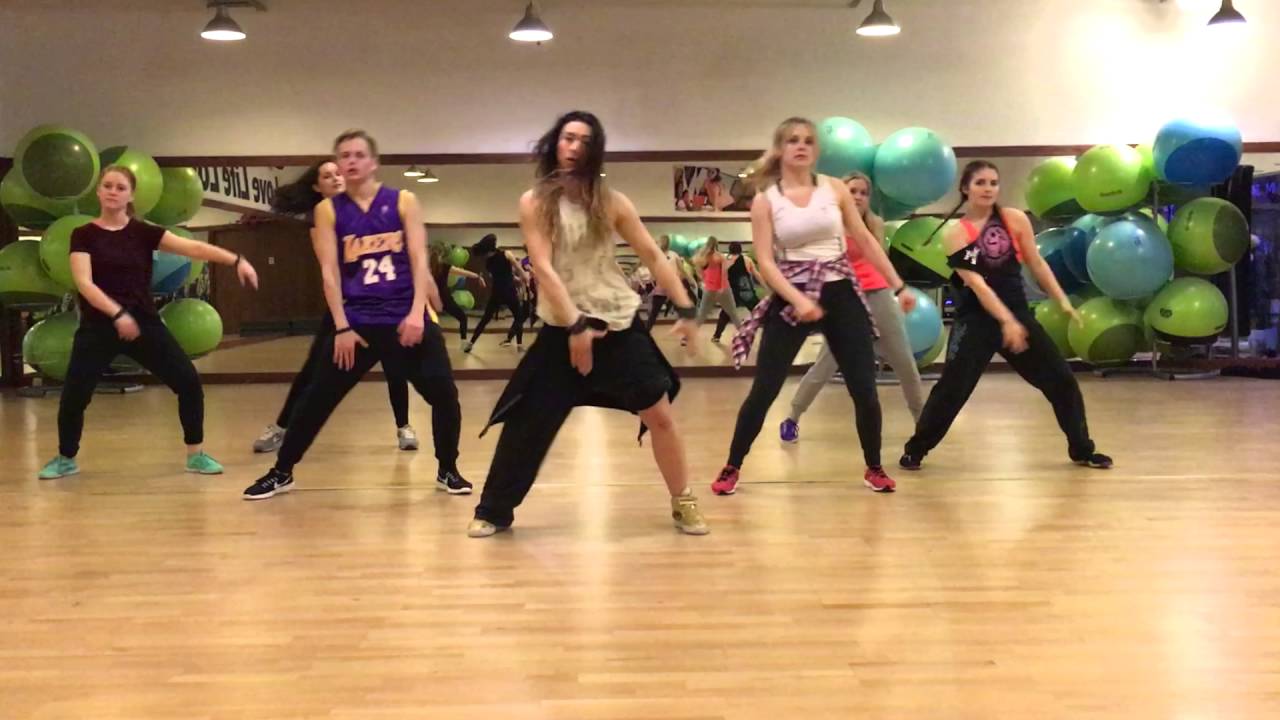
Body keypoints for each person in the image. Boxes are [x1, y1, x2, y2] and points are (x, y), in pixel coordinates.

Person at [467, 110, 708, 538]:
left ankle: (683, 501)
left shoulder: (612, 202)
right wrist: (575, 324)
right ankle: (494, 510)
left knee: (659, 414)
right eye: (568, 137)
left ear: (595, 151)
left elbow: (654, 256)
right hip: (563, 328)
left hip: (618, 323)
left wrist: (686, 309)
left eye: (584, 140)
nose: (574, 146)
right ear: (555, 143)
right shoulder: (534, 202)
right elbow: (542, 267)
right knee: (528, 421)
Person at [242, 129, 469, 500]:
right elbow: (329, 272)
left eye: (358, 154)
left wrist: (417, 314)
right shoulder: (328, 210)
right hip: (358, 323)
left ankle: (448, 469)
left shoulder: (403, 201)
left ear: (373, 163)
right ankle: (281, 472)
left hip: (406, 319)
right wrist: (342, 327)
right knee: (317, 399)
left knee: (445, 397)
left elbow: (418, 260)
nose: (350, 161)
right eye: (344, 155)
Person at [711, 117, 916, 496]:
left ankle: (874, 467)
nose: (801, 146)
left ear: (817, 150)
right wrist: (799, 300)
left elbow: (865, 241)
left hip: (840, 292)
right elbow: (766, 262)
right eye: (793, 140)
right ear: (781, 149)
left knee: (864, 388)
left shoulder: (834, 189)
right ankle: (732, 466)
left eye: (808, 140)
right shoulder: (766, 200)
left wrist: (898, 285)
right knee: (765, 389)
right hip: (793, 292)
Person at [38, 165, 260, 480]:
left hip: (143, 323)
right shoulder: (83, 235)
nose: (113, 192)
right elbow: (84, 283)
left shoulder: (142, 233)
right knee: (75, 395)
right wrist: (118, 314)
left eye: (120, 187)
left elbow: (193, 247)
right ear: (99, 191)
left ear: (130, 196)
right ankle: (65, 458)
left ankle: (195, 455)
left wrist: (236, 260)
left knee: (188, 382)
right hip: (98, 327)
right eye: (108, 186)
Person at [900, 161, 1113, 471]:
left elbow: (1036, 263)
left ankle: (1082, 449)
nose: (988, 189)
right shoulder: (956, 234)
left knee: (1062, 381)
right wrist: (1006, 322)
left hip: (1017, 313)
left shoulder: (1014, 219)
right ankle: (916, 450)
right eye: (980, 183)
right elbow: (978, 285)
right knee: (952, 389)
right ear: (965, 188)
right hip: (976, 320)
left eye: (993, 182)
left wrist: (1062, 300)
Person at [251, 160, 422, 454]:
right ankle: (281, 428)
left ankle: (404, 426)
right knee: (312, 370)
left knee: (395, 364)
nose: (336, 178)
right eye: (327, 176)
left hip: (386, 304)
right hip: (346, 308)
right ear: (318, 187)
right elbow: (330, 270)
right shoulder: (322, 222)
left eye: (338, 173)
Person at [780, 171, 926, 441]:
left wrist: (899, 289)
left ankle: (923, 423)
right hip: (844, 298)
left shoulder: (874, 224)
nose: (858, 197)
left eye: (863, 192)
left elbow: (879, 259)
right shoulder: (825, 226)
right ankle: (792, 417)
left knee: (904, 361)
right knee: (826, 364)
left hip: (878, 293)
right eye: (853, 191)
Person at [462, 233, 530, 352]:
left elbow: (500, 276)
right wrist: (524, 278)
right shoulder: (506, 254)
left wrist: (514, 278)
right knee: (519, 317)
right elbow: (517, 269)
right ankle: (519, 345)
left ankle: (471, 343)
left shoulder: (488, 262)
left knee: (485, 319)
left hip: (497, 293)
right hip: (509, 292)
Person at [429, 242, 484, 341]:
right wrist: (478, 276)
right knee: (463, 318)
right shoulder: (445, 267)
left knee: (427, 321)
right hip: (445, 299)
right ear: (443, 254)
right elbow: (464, 272)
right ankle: (463, 342)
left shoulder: (427, 267)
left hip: (431, 298)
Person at [711, 241, 763, 343]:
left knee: (724, 315)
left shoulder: (726, 261)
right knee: (759, 311)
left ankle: (716, 336)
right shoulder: (747, 260)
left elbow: (723, 278)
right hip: (746, 292)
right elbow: (756, 274)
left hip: (731, 292)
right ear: (740, 249)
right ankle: (771, 332)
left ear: (730, 250)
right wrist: (766, 285)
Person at [643, 234, 695, 331]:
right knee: (678, 311)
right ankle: (687, 332)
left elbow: (654, 272)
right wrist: (690, 280)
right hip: (668, 287)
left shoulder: (661, 255)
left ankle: (646, 331)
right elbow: (681, 270)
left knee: (655, 313)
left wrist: (690, 280)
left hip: (666, 287)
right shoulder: (670, 255)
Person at [694, 236, 741, 334]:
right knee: (733, 313)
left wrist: (705, 280)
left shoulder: (702, 257)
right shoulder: (720, 257)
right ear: (717, 244)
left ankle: (688, 335)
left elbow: (699, 272)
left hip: (709, 289)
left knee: (701, 315)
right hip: (723, 289)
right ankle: (743, 333)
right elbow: (724, 274)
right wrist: (722, 287)